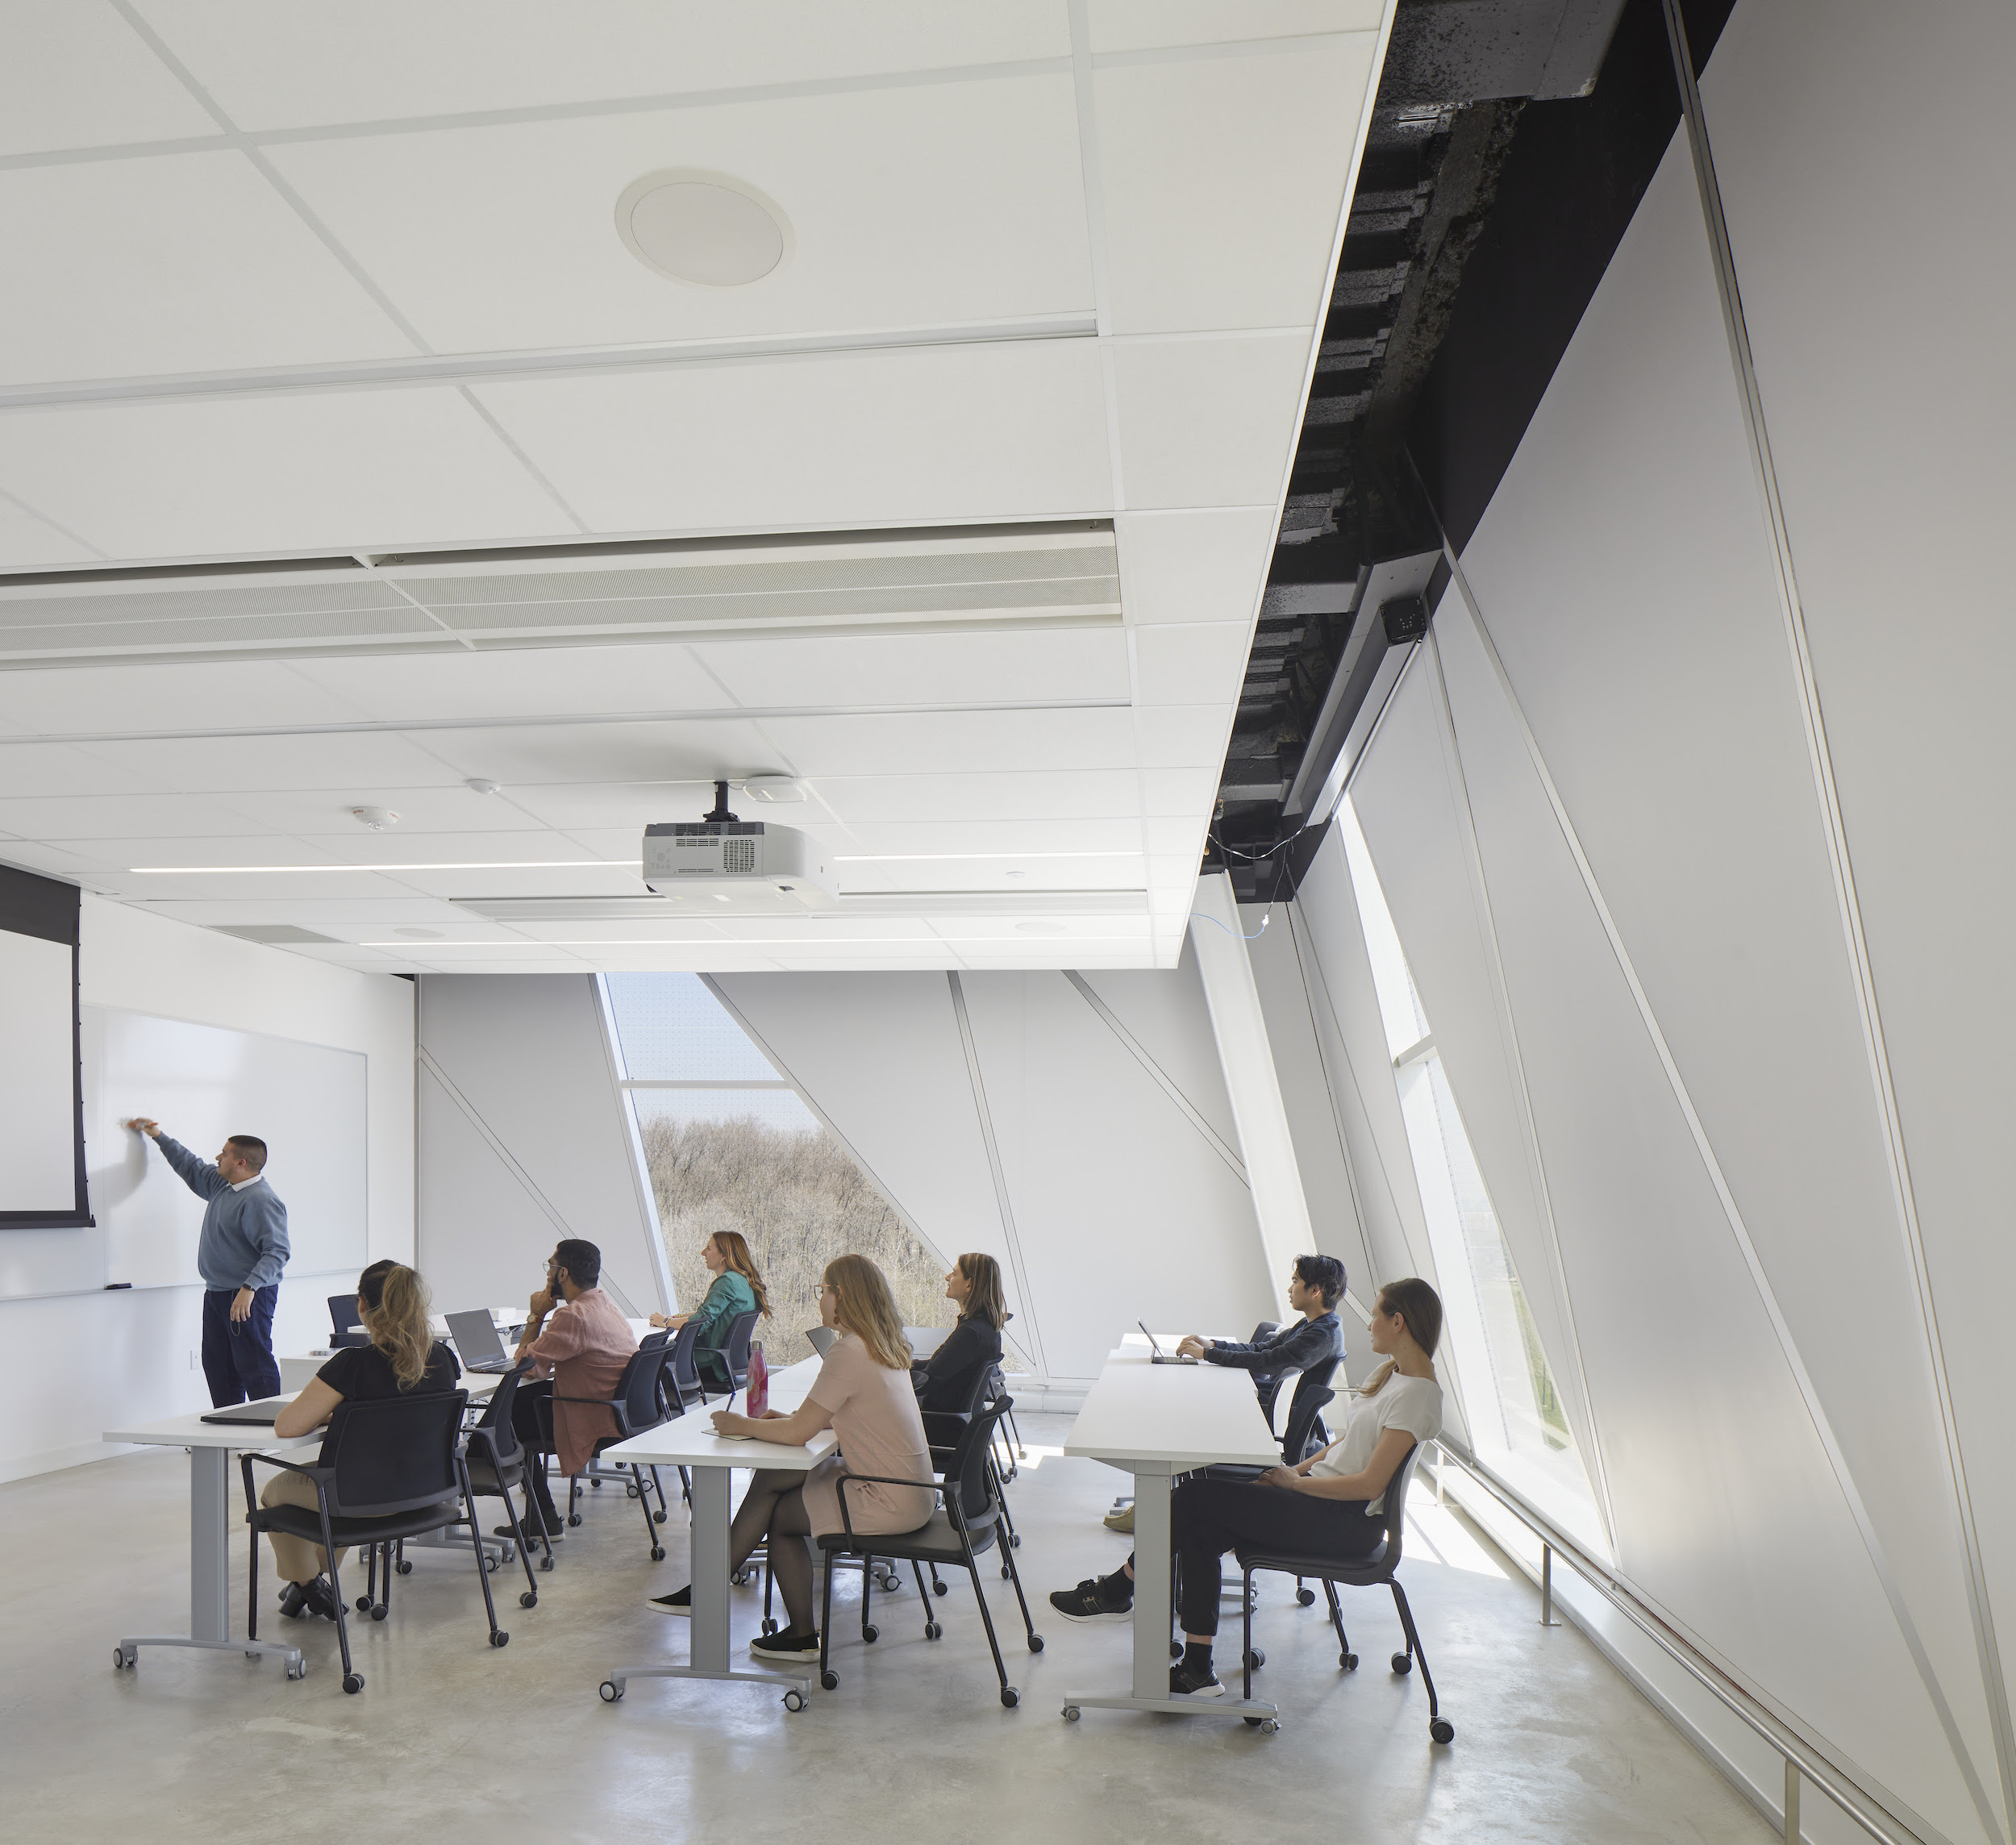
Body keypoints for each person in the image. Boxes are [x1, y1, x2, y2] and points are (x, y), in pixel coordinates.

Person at [1058, 1278, 1444, 1697]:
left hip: (1343, 1522)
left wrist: (1295, 1485)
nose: (1369, 1325)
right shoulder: (1393, 1376)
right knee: (1200, 1534)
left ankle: (1118, 1590)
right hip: (1318, 1500)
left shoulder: (1417, 1395)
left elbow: (1370, 1485)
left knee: (1192, 1496)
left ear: (1399, 1322)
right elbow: (1345, 1446)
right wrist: (1291, 1472)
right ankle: (1197, 1668)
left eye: (1375, 1315)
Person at [648, 1253, 935, 1660]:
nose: (820, 1300)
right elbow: (842, 1417)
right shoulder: (883, 1345)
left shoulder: (849, 1352)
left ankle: (797, 1633)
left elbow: (799, 1435)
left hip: (886, 1497)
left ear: (843, 1296)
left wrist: (741, 1424)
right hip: (913, 1490)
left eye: (823, 1291)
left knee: (780, 1518)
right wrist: (791, 1419)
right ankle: (707, 1587)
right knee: (771, 1480)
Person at [1096, 1253, 1347, 1540]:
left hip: (1270, 1422)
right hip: (1270, 1411)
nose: (1290, 1288)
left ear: (1315, 1291)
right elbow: (1260, 1350)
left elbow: (1269, 1362)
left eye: (1295, 1281)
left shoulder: (1322, 1334)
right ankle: (1158, 1506)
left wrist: (1208, 1354)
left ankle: (1157, 1510)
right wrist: (1212, 1346)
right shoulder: (1313, 1325)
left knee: (1179, 1418)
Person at [265, 1260, 460, 1620]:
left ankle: (309, 1583)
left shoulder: (353, 1365)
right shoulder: (443, 1359)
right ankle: (310, 1584)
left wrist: (337, 1411)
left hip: (359, 1498)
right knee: (329, 1491)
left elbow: (288, 1426)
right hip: (421, 1492)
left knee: (275, 1492)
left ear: (361, 1306)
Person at [127, 1118, 289, 1408]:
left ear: (240, 1163)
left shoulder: (261, 1200)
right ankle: (231, 1430)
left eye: (224, 1154)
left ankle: (272, 1430)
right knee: (219, 1366)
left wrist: (249, 1288)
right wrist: (158, 1136)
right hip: (217, 1292)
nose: (217, 1157)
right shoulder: (222, 1186)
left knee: (253, 1363)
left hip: (249, 1295)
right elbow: (190, 1165)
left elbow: (277, 1252)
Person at [497, 1239, 638, 1540]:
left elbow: (528, 1366)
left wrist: (535, 1316)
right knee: (521, 1402)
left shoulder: (571, 1317)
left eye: (550, 1267)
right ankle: (541, 1515)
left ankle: (542, 1517)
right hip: (618, 1411)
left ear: (562, 1273)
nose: (547, 1274)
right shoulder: (603, 1303)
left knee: (505, 1416)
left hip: (590, 1416)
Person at [648, 1228, 766, 1395]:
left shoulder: (726, 1282)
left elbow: (699, 1323)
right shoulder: (743, 1281)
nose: (703, 1253)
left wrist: (665, 1322)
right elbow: (715, 1315)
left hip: (710, 1363)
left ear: (724, 1256)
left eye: (709, 1248)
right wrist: (681, 1317)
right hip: (731, 1362)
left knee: (649, 1367)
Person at [912, 1252, 1006, 1413]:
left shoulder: (970, 1334)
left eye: (955, 1274)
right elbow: (941, 1365)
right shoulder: (984, 1327)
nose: (947, 1277)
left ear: (969, 1285)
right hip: (956, 1421)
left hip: (938, 1422)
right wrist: (905, 1365)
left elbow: (925, 1383)